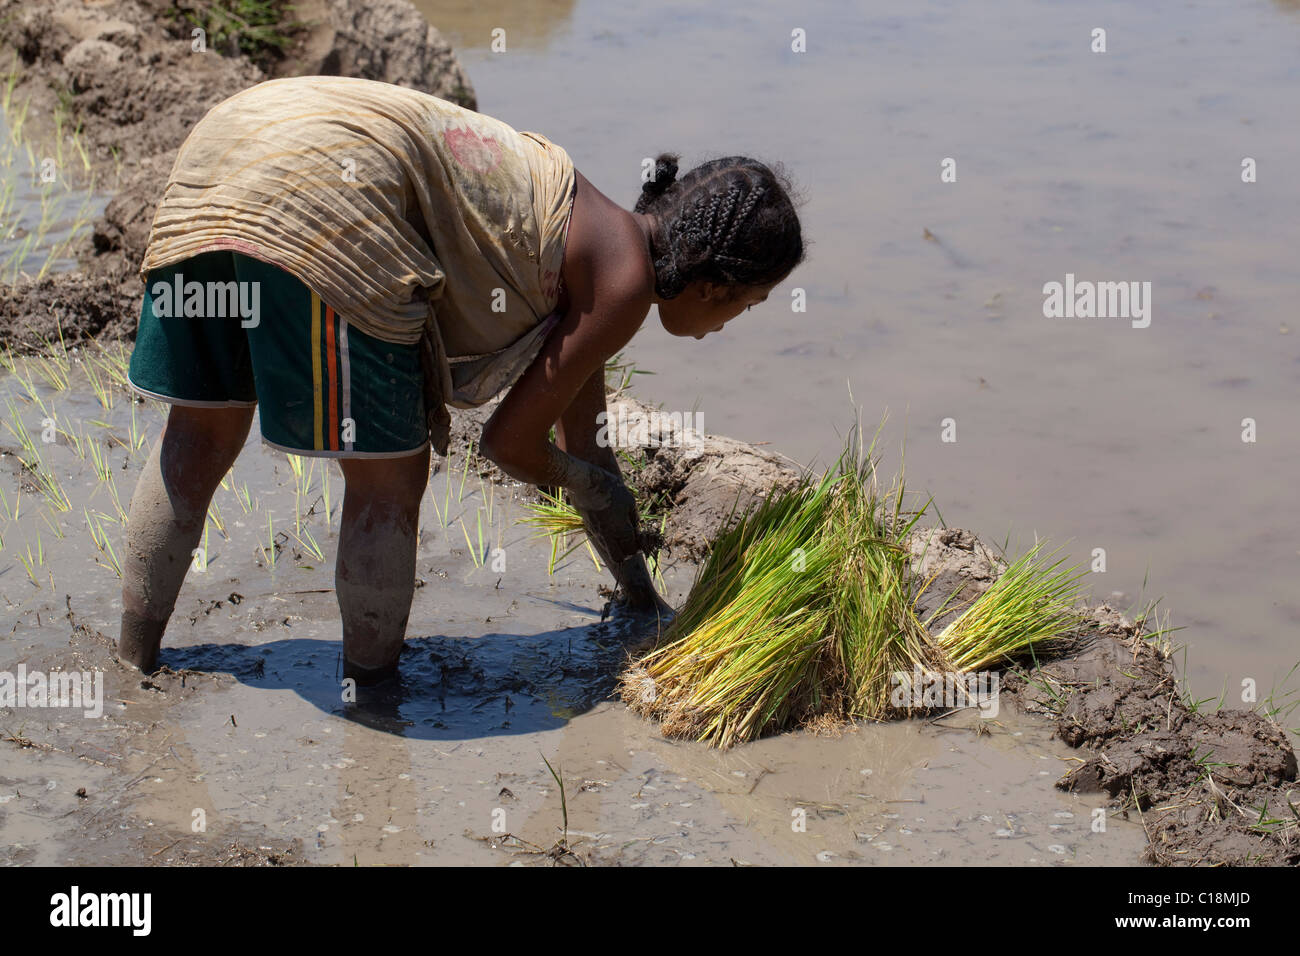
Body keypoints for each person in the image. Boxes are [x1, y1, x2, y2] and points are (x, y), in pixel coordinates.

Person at [117, 75, 805, 685]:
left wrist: (639, 596)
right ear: (715, 284)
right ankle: (373, 698)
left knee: (202, 432)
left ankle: (134, 657)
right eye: (752, 302)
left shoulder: (593, 239)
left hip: (232, 145)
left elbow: (584, 437)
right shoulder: (622, 283)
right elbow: (509, 445)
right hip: (326, 189)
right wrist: (589, 485)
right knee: (389, 474)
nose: (732, 323)